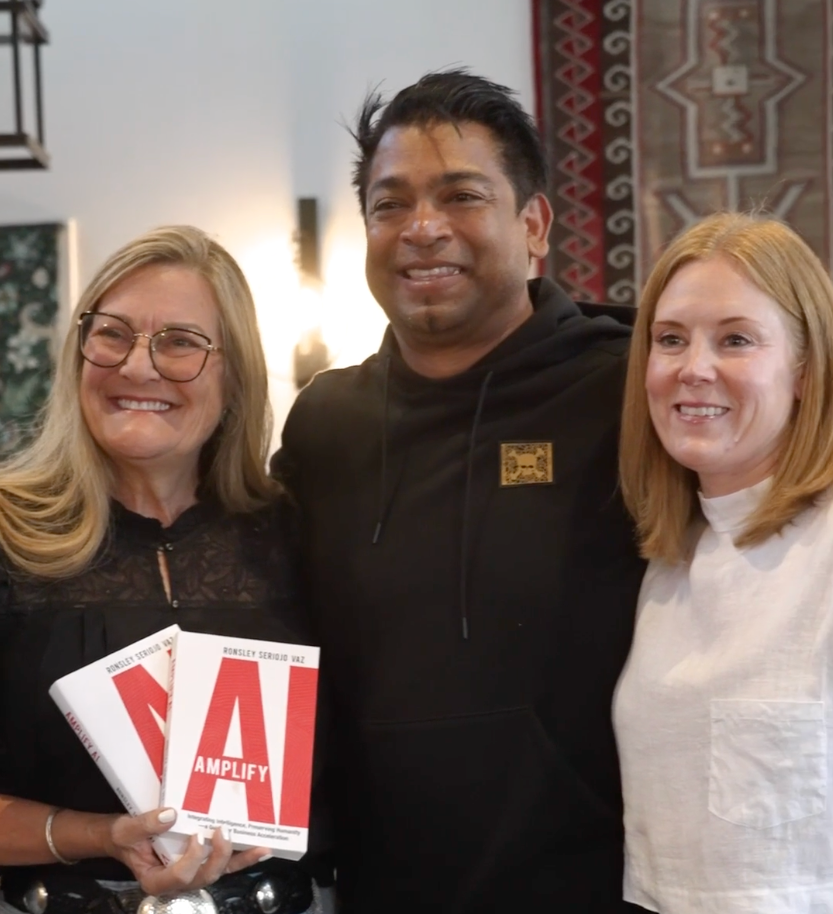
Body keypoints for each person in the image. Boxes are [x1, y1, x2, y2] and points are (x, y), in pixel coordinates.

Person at [274, 69, 646, 913]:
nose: (422, 229)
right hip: (378, 890)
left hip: (600, 887)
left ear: (534, 224)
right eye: (389, 204)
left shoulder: (627, 391)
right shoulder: (323, 423)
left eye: (460, 196)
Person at [0, 227, 327, 914]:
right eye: (112, 334)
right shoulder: (8, 530)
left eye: (180, 342)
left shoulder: (298, 533)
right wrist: (102, 835)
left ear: (233, 374)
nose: (138, 367)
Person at [614, 212, 833, 913]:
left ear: (805, 370)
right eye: (670, 340)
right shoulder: (670, 562)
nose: (692, 368)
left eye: (734, 339)